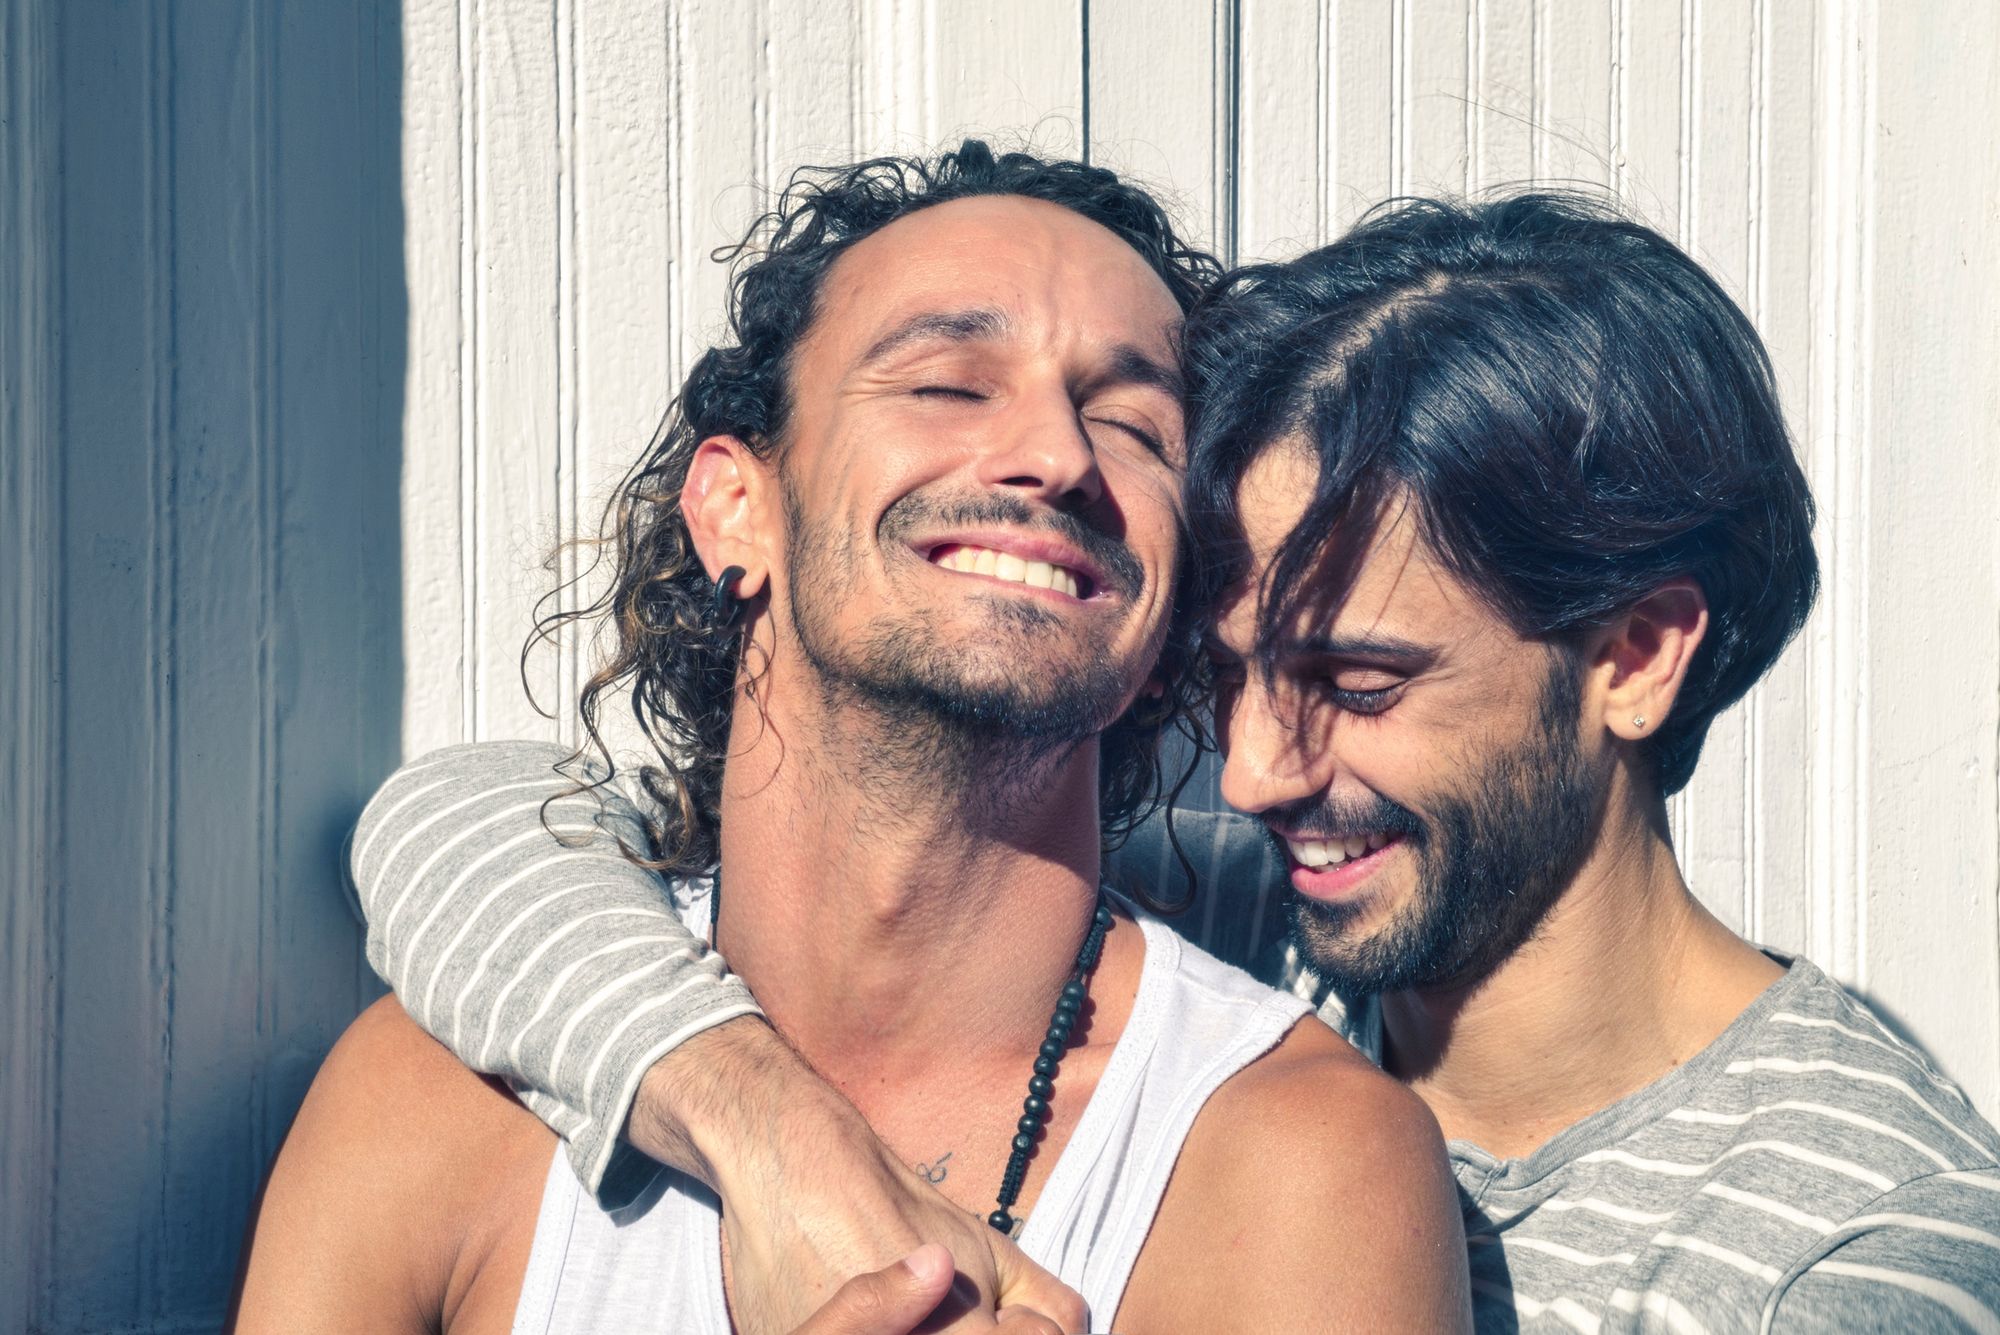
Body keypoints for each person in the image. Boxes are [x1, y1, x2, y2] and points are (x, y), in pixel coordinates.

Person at [331, 180, 2000, 1333]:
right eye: (1232, 678)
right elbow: (464, 836)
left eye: (1355, 678)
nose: (1259, 773)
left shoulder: (1849, 1254)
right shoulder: (1263, 911)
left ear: (1633, 659)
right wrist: (780, 1141)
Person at [229, 142, 1470, 1335]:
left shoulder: (1297, 1165)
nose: (1052, 456)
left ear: (1167, 619)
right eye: (943, 384)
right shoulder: (440, 1100)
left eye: (1135, 429)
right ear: (735, 510)